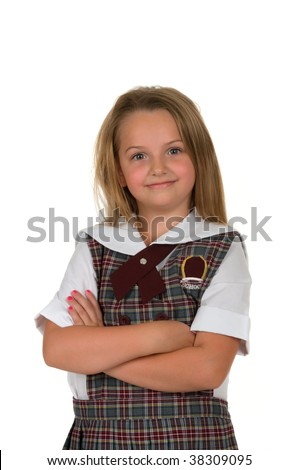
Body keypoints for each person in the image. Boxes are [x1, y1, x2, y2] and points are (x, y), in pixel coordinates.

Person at [35, 86, 251, 450]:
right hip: (101, 443)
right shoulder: (95, 247)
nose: (158, 168)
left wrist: (100, 349)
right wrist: (159, 337)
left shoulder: (223, 247)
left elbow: (206, 369)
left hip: (194, 443)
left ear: (199, 158)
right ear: (119, 172)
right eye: (138, 156)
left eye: (174, 150)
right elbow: (57, 349)